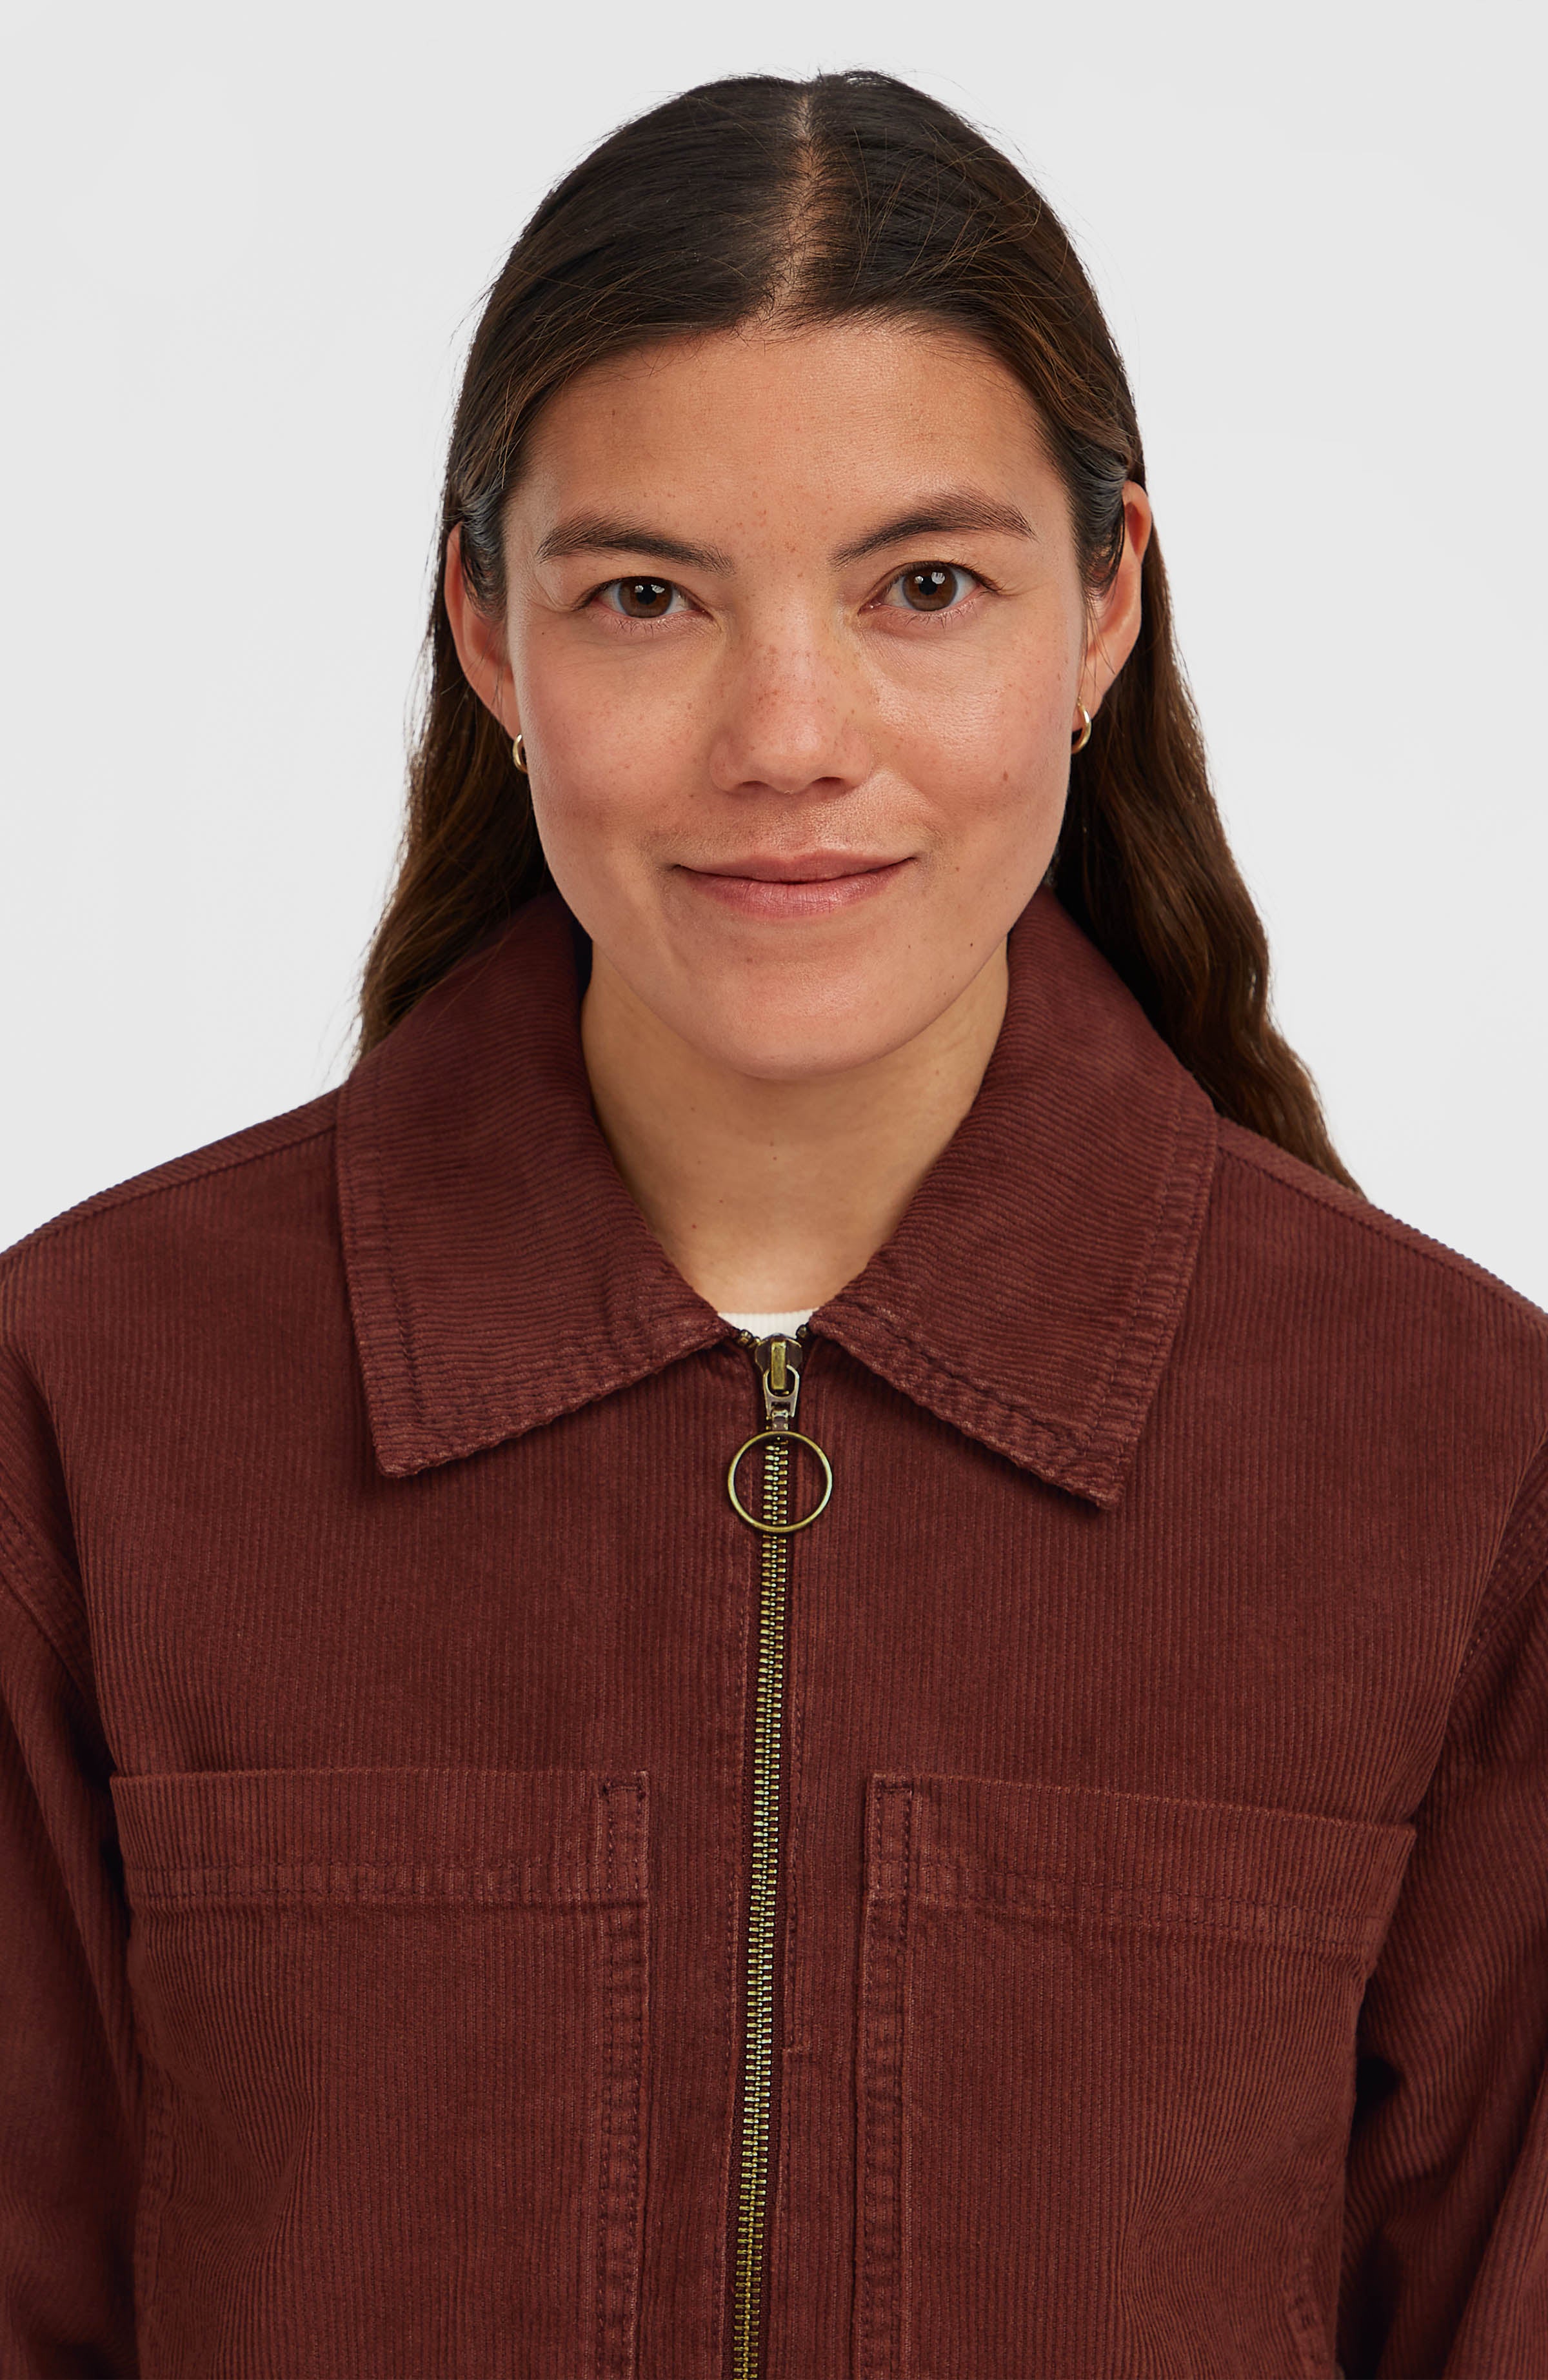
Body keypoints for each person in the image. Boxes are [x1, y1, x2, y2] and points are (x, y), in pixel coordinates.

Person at [1, 66, 1544, 2380]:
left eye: (926, 586)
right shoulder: (94, 1396)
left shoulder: (1459, 1451)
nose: (791, 733)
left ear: (1106, 603)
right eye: (647, 596)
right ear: (488, 629)